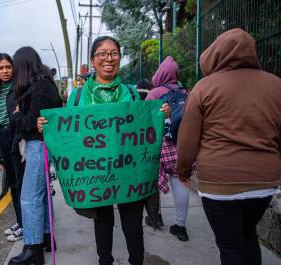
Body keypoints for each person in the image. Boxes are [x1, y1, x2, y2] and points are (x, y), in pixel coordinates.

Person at [37, 36, 170, 265]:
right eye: (102, 54)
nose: (109, 59)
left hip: (129, 173)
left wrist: (160, 114)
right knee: (103, 225)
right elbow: (68, 134)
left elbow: (146, 125)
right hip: (95, 175)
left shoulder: (132, 93)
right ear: (92, 60)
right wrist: (47, 127)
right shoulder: (77, 97)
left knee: (133, 226)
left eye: (114, 53)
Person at [176, 28, 281, 265]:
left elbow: (187, 139)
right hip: (265, 183)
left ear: (217, 52)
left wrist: (182, 171)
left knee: (230, 246)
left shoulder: (204, 88)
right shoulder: (276, 85)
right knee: (248, 235)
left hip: (220, 183)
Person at [8, 47, 62, 265]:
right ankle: (47, 238)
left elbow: (33, 123)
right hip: (39, 146)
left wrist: (18, 116)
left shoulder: (41, 87)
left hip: (39, 146)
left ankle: (33, 249)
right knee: (40, 196)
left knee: (29, 198)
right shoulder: (42, 84)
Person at [145, 56, 190, 241]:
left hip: (160, 145)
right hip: (182, 144)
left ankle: (156, 217)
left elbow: (145, 118)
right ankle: (180, 226)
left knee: (155, 183)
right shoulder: (187, 92)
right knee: (181, 183)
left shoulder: (155, 93)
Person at [0, 53, 25, 242]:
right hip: (3, 137)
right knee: (12, 183)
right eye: (0, 68)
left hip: (16, 138)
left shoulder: (19, 88)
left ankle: (26, 225)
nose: (5, 71)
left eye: (8, 67)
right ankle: (21, 220)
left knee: (20, 183)